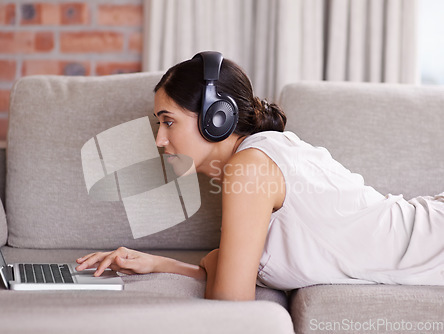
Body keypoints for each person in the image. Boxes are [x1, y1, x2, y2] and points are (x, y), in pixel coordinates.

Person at [75, 52, 444, 301]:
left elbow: (230, 302)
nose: (160, 139)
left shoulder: (249, 168)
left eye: (168, 122)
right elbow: (235, 271)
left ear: (216, 117)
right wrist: (157, 265)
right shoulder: (251, 160)